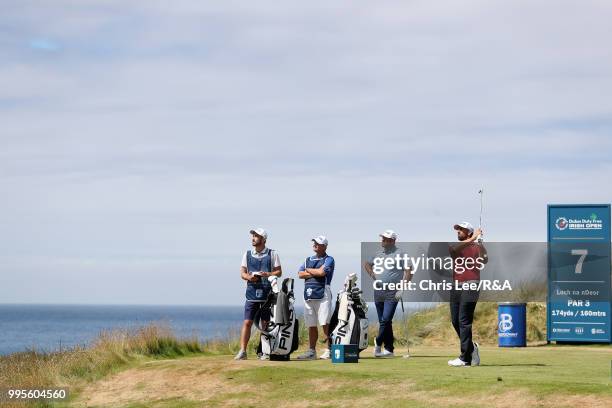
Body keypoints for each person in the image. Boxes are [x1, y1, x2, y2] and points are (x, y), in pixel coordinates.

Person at [234, 228, 282, 361]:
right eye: (253, 236)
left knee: (265, 323)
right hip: (251, 293)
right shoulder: (247, 254)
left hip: (267, 294)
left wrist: (269, 274)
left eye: (256, 236)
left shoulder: (273, 254)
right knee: (247, 322)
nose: (253, 238)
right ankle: (243, 351)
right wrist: (249, 278)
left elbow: (278, 272)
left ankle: (265, 351)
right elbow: (242, 273)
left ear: (263, 239)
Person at [364, 230, 412, 358]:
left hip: (392, 291)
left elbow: (408, 271)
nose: (383, 241)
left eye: (385, 239)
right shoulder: (378, 253)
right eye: (382, 238)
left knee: (385, 319)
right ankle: (389, 349)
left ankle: (378, 342)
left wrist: (403, 287)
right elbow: (367, 264)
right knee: (384, 321)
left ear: (393, 241)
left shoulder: (401, 254)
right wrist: (373, 275)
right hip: (378, 290)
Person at [447, 221, 488, 367]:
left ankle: (465, 357)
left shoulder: (476, 247)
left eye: (461, 230)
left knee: (464, 320)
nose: (458, 231)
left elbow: (484, 260)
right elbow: (453, 251)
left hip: (471, 284)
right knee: (455, 321)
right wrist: (473, 238)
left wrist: (481, 245)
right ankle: (472, 348)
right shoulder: (455, 246)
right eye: (457, 229)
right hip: (456, 286)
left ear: (468, 232)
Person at [296, 236, 335, 360]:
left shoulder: (329, 259)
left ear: (324, 246)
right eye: (314, 242)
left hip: (323, 293)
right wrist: (313, 271)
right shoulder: (308, 259)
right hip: (308, 294)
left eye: (318, 243)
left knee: (325, 323)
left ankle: (331, 349)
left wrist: (308, 271)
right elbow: (300, 274)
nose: (315, 244)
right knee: (311, 324)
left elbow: (322, 273)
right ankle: (312, 351)